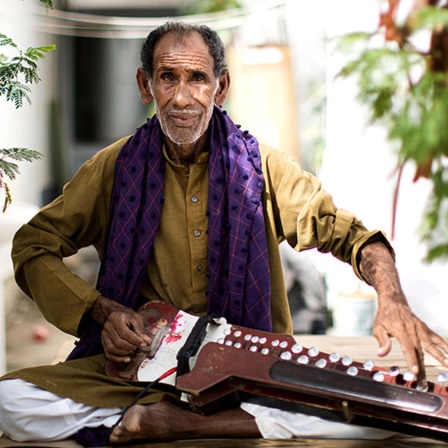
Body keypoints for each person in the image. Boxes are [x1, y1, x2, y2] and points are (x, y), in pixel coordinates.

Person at [1, 20, 448, 447]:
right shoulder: (114, 167)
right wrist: (101, 311)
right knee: (10, 400)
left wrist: (392, 300)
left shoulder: (262, 167)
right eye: (167, 77)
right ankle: (201, 420)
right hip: (141, 365)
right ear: (145, 86)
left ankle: (180, 424)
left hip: (252, 366)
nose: (181, 97)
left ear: (221, 87)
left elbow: (350, 235)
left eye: (197, 78)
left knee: (381, 408)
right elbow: (33, 244)